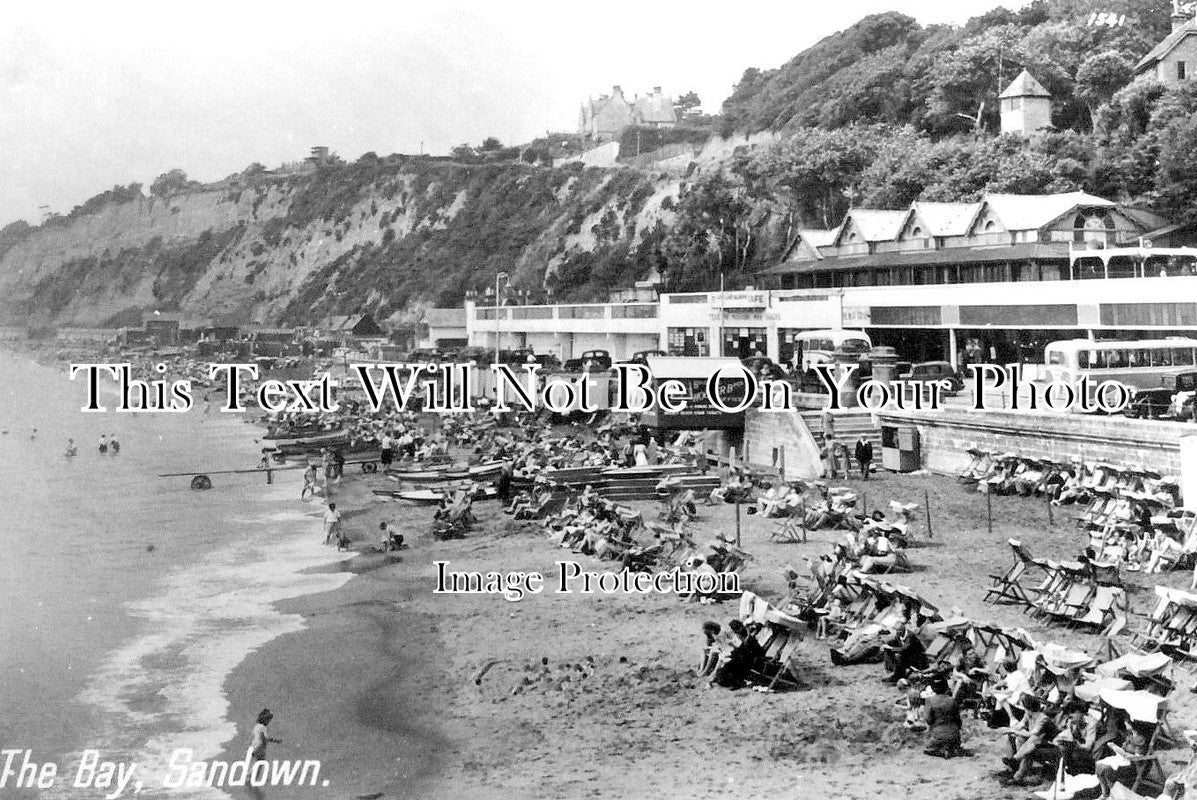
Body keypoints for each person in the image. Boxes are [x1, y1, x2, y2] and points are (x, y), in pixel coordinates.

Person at [923, 678, 963, 758]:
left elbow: (928, 720)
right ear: (946, 687)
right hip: (954, 734)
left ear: (933, 688)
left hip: (938, 734)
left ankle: (940, 751)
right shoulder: (952, 700)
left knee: (927, 746)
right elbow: (958, 720)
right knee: (952, 742)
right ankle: (951, 748)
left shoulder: (930, 700)